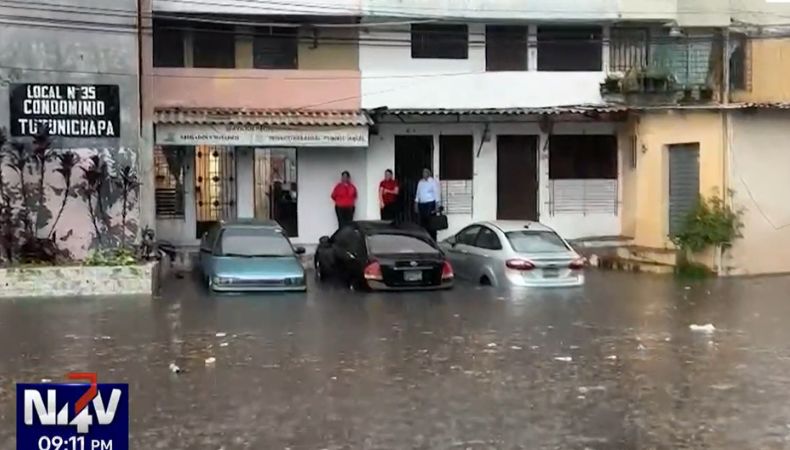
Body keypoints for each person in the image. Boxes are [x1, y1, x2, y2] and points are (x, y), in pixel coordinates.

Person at [414, 167, 441, 240]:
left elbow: (436, 194)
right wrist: (416, 204)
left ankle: (432, 239)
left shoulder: (433, 182)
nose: (424, 174)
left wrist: (437, 206)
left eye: (426, 172)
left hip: (430, 204)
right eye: (423, 172)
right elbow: (418, 194)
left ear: (429, 173)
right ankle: (424, 239)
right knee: (423, 223)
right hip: (422, 205)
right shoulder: (420, 182)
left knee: (431, 224)